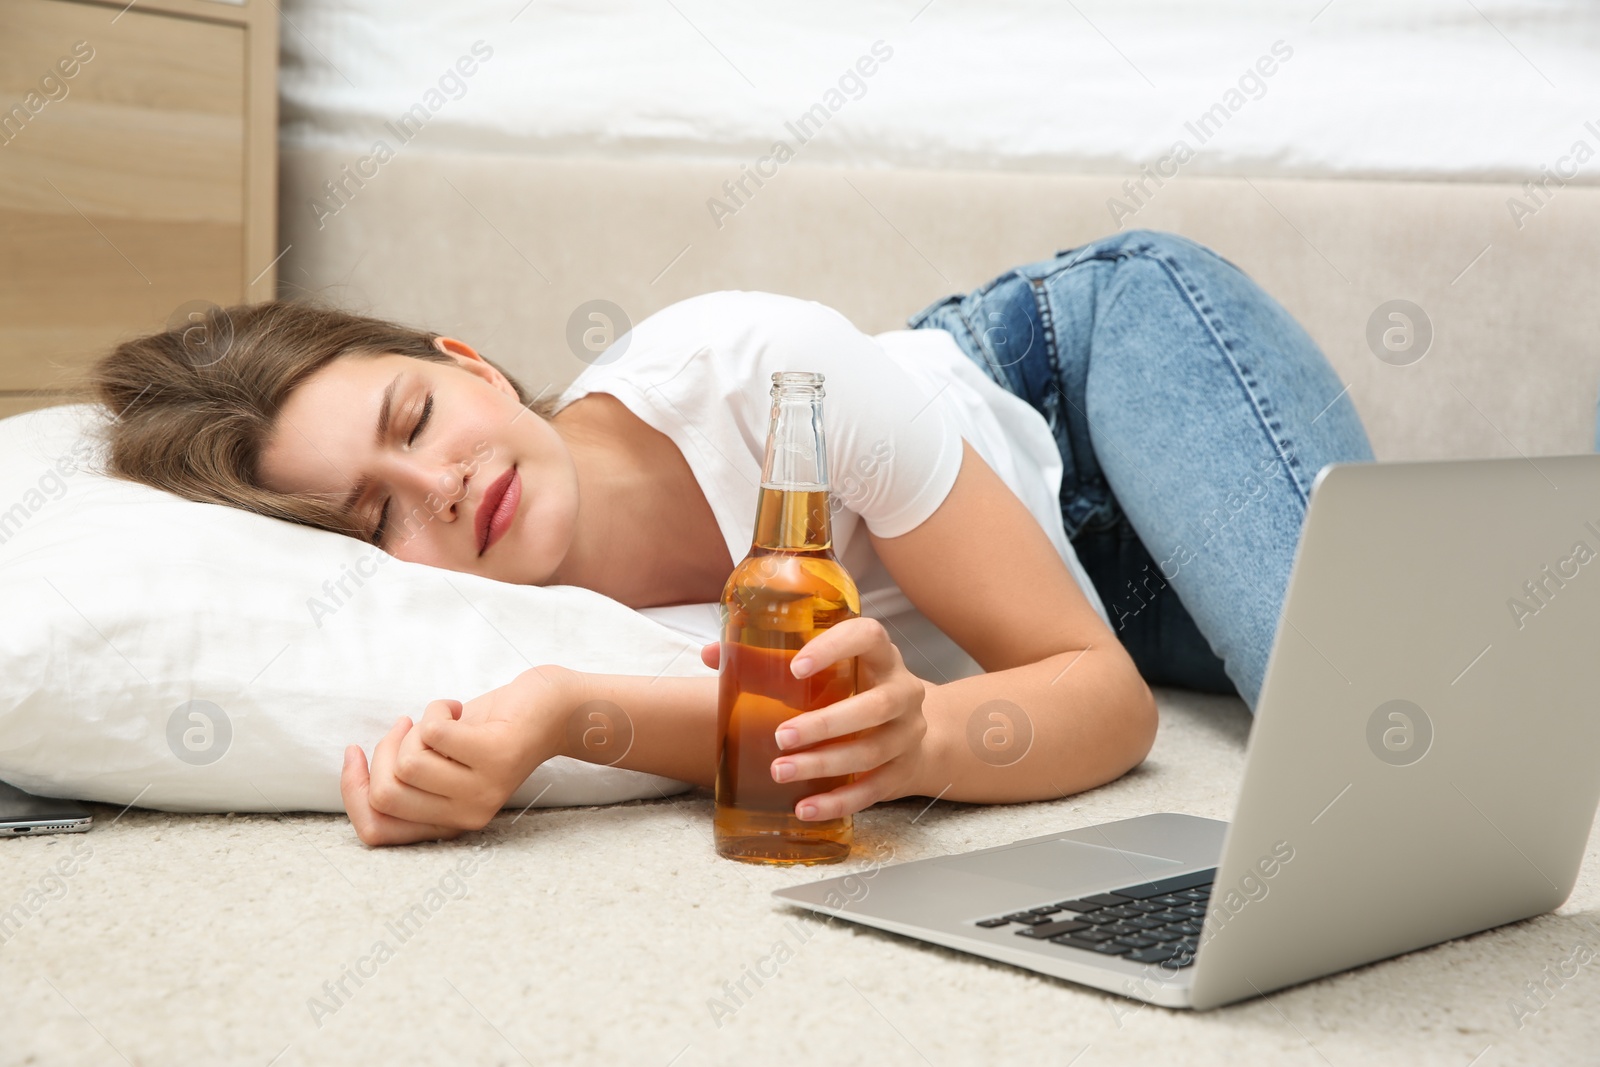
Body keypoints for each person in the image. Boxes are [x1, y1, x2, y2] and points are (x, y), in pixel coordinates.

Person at [86, 229, 1372, 846]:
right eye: (375, 514)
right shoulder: (518, 620)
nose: (441, 484)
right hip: (1092, 589)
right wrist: (531, 725)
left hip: (1079, 383)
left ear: (469, 361)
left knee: (1373, 734)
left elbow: (1101, 702)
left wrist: (920, 737)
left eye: (418, 416)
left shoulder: (765, 371)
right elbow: (680, 720)